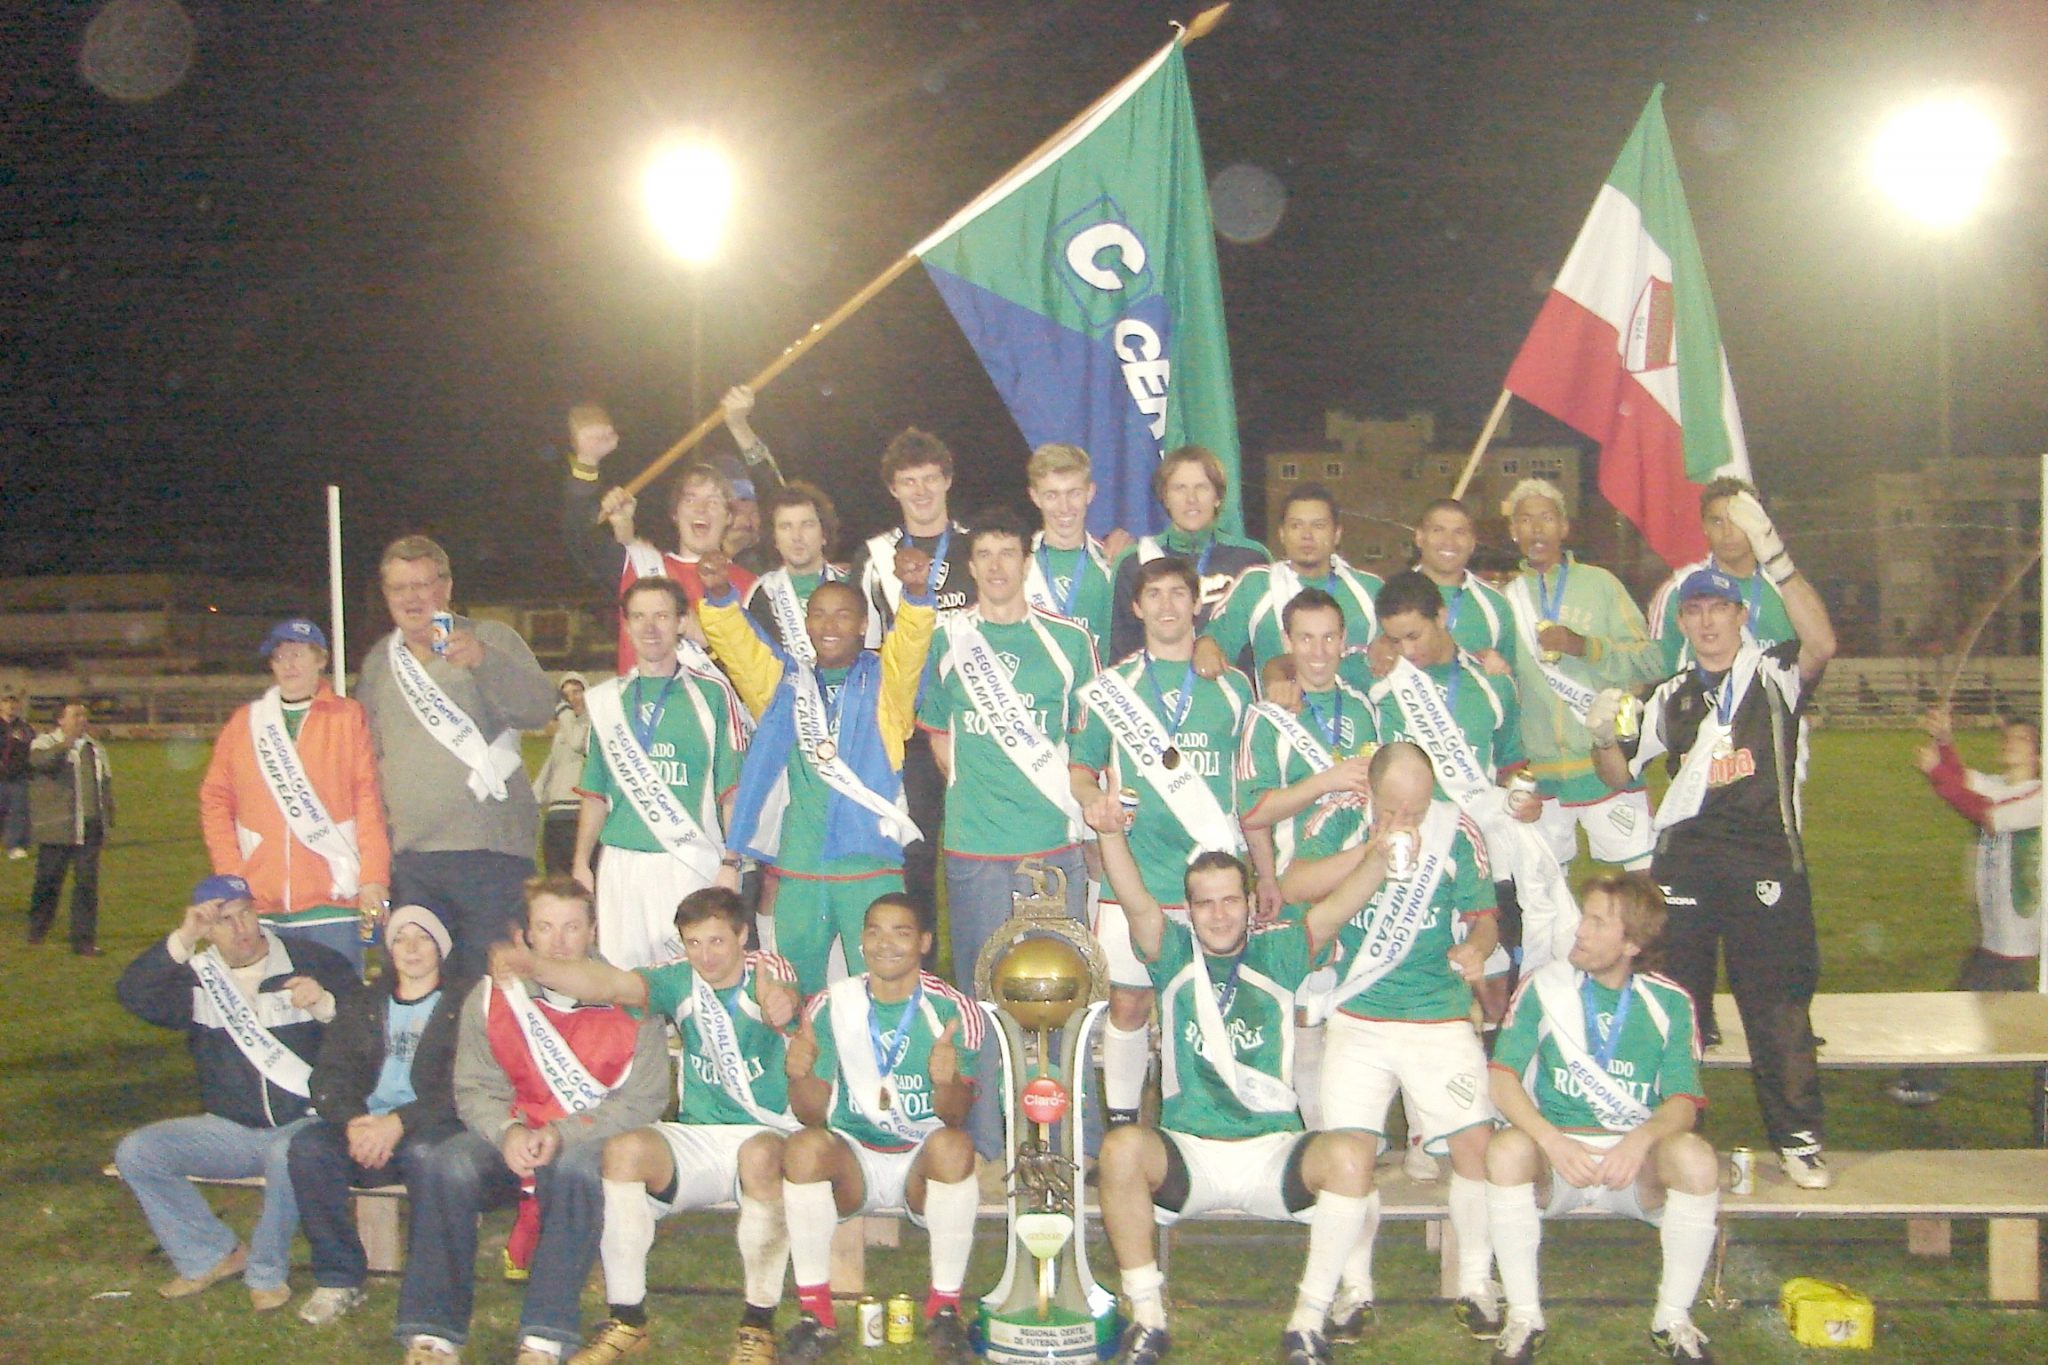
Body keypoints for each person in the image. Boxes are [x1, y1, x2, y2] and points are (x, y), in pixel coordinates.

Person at [1589, 511, 1838, 1189]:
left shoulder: (1774, 672)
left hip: (1766, 863)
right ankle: (1675, 1140)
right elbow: (1617, 774)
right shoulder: (1668, 696)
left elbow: (1821, 640)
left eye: (1718, 608)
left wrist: (1776, 556)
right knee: (1676, 1008)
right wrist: (1602, 735)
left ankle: (1799, 1138)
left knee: (1777, 1006)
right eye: (1694, 611)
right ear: (1683, 622)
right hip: (1686, 867)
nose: (1706, 622)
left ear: (1739, 614)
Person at [1083, 804, 1382, 1365]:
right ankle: (1147, 1318)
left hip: (1272, 1154)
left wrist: (1382, 852)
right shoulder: (1172, 953)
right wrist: (1108, 834)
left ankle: (1308, 1322)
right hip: (1189, 1154)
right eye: (1205, 903)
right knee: (1121, 1148)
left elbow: (1342, 905)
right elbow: (1133, 898)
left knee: (1351, 1155)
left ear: (1249, 903)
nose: (1219, 915)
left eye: (1229, 900)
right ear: (1189, 910)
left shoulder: (1280, 952)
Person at [495, 887, 801, 1365]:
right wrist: (533, 966)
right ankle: (627, 1319)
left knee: (760, 1154)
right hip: (700, 1135)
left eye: (717, 941)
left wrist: (778, 1003)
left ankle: (758, 1326)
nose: (706, 956)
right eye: (694, 942)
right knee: (624, 1150)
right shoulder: (677, 978)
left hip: (768, 1134)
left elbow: (783, 994)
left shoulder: (767, 969)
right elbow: (609, 986)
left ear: (743, 935)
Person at [1278, 743, 1503, 1342]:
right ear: (1370, 793)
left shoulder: (1457, 829)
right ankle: (1354, 1289)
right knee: (1350, 1153)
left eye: (1418, 809)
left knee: (1476, 1142)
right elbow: (1294, 884)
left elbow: (1485, 915)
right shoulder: (1338, 817)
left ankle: (1476, 1282)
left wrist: (1476, 948)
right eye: (1394, 809)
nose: (1408, 820)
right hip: (1358, 1011)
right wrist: (1370, 851)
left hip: (1437, 1012)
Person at [396, 877, 669, 1365]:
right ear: (526, 934)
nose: (558, 942)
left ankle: (545, 1337)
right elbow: (475, 1087)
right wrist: (507, 1132)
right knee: (445, 1164)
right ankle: (433, 1332)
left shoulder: (632, 998)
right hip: (515, 1135)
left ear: (593, 931)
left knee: (576, 1171)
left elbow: (645, 1099)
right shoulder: (494, 995)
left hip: (588, 1137)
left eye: (571, 927)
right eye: (545, 927)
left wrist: (563, 1134)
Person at [917, 514, 1098, 1155]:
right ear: (971, 566)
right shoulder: (947, 639)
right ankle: (992, 1146)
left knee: (1068, 996)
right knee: (985, 1000)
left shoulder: (1070, 641)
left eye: (1008, 551)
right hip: (975, 849)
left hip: (1053, 846)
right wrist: (979, 790)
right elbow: (939, 734)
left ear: (1027, 560)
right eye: (985, 553)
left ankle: (1074, 1143)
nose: (996, 565)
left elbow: (1086, 738)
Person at [1485, 873, 1719, 1365]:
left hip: (1633, 1167)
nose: (1580, 930)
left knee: (1695, 1158)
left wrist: (1639, 1140)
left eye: (1596, 922)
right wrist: (1551, 1141)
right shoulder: (1543, 986)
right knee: (1506, 1150)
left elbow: (1683, 1101)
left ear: (1632, 944)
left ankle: (1672, 1319)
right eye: (1583, 917)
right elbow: (1501, 1079)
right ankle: (1524, 1318)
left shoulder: (1670, 1002)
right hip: (1557, 1162)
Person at [113, 875, 359, 1311]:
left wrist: (326, 1005)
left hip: (307, 1124)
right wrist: (184, 938)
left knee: (289, 1154)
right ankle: (211, 1255)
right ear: (208, 930)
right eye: (224, 920)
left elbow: (367, 1031)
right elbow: (133, 994)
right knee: (138, 1152)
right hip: (230, 1129)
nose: (241, 927)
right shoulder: (197, 978)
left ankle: (266, 1272)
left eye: (246, 913)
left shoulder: (312, 962)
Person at [698, 547, 937, 993]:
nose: (830, 626)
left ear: (863, 625)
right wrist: (718, 595)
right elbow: (742, 649)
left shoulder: (887, 687)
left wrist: (917, 596)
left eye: (843, 615)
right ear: (806, 624)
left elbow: (909, 650)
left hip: (870, 867)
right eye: (820, 615)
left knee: (882, 990)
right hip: (801, 869)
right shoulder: (786, 685)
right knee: (793, 991)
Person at [1070, 557, 1253, 1129]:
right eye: (1155, 594)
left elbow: (1251, 777)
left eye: (1179, 593)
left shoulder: (1234, 686)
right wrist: (1092, 802)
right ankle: (1124, 1127)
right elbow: (1080, 768)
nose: (1167, 605)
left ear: (1197, 604)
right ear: (1137, 607)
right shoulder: (1111, 689)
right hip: (1137, 876)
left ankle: (1201, 1123)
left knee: (1210, 1006)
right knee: (1129, 1003)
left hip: (1213, 880)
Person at [777, 894, 984, 1364]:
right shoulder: (832, 1004)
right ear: (862, 940)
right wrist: (800, 1075)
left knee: (955, 1146)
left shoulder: (953, 1010)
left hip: (920, 1159)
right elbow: (811, 1114)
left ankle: (945, 1310)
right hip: (854, 1156)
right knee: (803, 1149)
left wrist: (946, 1081)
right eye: (874, 931)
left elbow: (956, 1116)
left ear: (924, 943)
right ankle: (816, 1316)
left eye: (901, 932)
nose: (885, 943)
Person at [357, 535, 558, 980]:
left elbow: (540, 708)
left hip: (492, 856)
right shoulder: (379, 663)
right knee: (417, 986)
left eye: (422, 584)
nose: (411, 598)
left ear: (446, 587)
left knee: (492, 987)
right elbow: (368, 759)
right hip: (411, 861)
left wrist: (484, 661)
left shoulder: (490, 637)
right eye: (399, 588)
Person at [287, 906, 467, 1326]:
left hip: (426, 1127)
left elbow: (464, 1087)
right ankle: (338, 1277)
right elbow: (330, 1074)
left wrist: (399, 1123)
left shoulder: (465, 1005)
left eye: (423, 938)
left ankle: (428, 1284)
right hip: (366, 1126)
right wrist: (353, 1121)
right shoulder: (365, 1003)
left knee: (429, 1157)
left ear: (441, 948)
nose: (412, 948)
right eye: (401, 939)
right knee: (309, 1148)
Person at [199, 618, 391, 974]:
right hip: (261, 906)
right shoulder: (245, 723)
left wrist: (373, 877)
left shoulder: (348, 718)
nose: (288, 664)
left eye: (298, 654)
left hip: (334, 902)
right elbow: (215, 800)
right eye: (280, 656)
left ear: (321, 659)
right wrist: (232, 875)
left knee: (338, 1001)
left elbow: (368, 801)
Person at [573, 577, 746, 970]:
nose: (650, 628)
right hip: (621, 863)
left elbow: (731, 790)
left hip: (689, 860)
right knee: (624, 983)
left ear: (681, 622)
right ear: (626, 625)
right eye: (639, 617)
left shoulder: (712, 695)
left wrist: (732, 862)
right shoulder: (607, 701)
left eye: (662, 616)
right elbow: (595, 792)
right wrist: (582, 863)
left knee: (691, 979)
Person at [1499, 480, 1665, 872]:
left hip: (1604, 763)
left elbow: (1651, 661)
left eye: (1546, 518)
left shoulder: (1601, 585)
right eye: (1525, 520)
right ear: (1513, 531)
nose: (1536, 529)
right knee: (1543, 890)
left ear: (1564, 527)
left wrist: (1585, 647)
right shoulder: (1504, 600)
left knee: (1641, 880)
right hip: (1539, 775)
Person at [853, 428, 976, 936]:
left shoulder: (976, 547)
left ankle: (986, 958)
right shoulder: (874, 556)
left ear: (947, 480)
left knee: (978, 849)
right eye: (909, 481)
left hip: (972, 720)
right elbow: (864, 648)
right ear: (893, 489)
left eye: (929, 478)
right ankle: (921, 964)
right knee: (916, 853)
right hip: (908, 729)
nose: (921, 491)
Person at [1887, 709, 2042, 1106]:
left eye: (2022, 739)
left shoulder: (2039, 797)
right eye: (2008, 736)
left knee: (1960, 1006)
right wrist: (1944, 739)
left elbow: (1983, 813)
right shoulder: (2000, 785)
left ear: (2039, 754)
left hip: (2015, 938)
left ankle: (1924, 1082)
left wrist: (1938, 772)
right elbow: (1963, 782)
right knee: (2015, 1010)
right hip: (1998, 935)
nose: (2009, 743)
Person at [561, 398, 760, 673]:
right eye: (690, 499)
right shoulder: (639, 567)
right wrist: (587, 462)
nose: (701, 508)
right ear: (675, 513)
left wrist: (705, 640)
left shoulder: (752, 587)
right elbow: (578, 538)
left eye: (714, 501)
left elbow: (764, 674)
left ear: (729, 517)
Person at [1236, 588, 1378, 916]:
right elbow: (1253, 812)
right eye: (1306, 639)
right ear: (1287, 642)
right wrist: (1266, 878)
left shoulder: (1362, 707)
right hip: (1297, 888)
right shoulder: (1267, 716)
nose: (1319, 652)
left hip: (1361, 886)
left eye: (1329, 638)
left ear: (1343, 640)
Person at [1202, 483, 1382, 689]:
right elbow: (1212, 645)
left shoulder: (1371, 590)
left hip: (1356, 708)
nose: (1307, 535)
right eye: (1296, 526)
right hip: (1281, 709)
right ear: (1282, 534)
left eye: (1318, 526)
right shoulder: (1255, 586)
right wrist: (1206, 645)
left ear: (1337, 534)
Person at [1106, 446, 1269, 663]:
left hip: (1231, 682)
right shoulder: (1133, 562)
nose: (1191, 499)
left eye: (1201, 487)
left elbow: (1268, 642)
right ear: (1165, 497)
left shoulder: (1251, 560)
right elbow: (1121, 651)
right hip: (1155, 682)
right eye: (1179, 488)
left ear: (1217, 497)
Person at [1648, 477, 1800, 671]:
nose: (1727, 532)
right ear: (1704, 527)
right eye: (1717, 521)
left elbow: (1816, 654)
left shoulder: (1785, 585)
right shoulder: (1677, 590)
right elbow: (1658, 671)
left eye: (1737, 521)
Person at [26, 699, 115, 955]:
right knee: (49, 881)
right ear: (60, 720)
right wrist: (66, 743)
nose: (82, 720)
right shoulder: (44, 743)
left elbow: (104, 783)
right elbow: (40, 763)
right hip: (58, 827)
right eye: (76, 715)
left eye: (84, 715)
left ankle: (83, 941)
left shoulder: (95, 747)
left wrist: (108, 817)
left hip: (90, 826)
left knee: (86, 884)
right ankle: (38, 927)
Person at [1024, 442, 1117, 659]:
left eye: (1073, 493)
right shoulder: (1020, 563)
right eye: (1052, 495)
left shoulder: (1110, 562)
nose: (1064, 507)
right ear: (1035, 497)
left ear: (1090, 492)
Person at [744, 480, 853, 662]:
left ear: (824, 534)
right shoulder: (762, 594)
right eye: (786, 526)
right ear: (774, 538)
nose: (796, 536)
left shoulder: (850, 584)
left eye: (807, 524)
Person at [1408, 498, 1519, 668]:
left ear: (1472, 543)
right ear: (1419, 537)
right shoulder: (1388, 596)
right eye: (1438, 530)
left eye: (1459, 532)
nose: (1449, 541)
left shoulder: (1496, 604)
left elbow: (1508, 675)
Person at [719, 383, 793, 576]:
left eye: (753, 507)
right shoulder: (690, 568)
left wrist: (738, 425)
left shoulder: (776, 565)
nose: (745, 515)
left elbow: (772, 485)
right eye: (736, 505)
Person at [532, 673, 591, 878]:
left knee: (582, 882)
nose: (572, 699)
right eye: (566, 695)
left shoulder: (595, 726)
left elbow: (577, 743)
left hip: (581, 816)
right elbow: (549, 771)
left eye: (577, 692)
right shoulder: (562, 734)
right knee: (556, 882)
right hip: (556, 817)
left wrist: (563, 711)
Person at [0, 692, 33, 859]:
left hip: (17, 776)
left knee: (18, 811)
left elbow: (30, 749)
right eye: (6, 702)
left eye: (14, 702)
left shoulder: (24, 728)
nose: (11, 706)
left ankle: (14, 845)